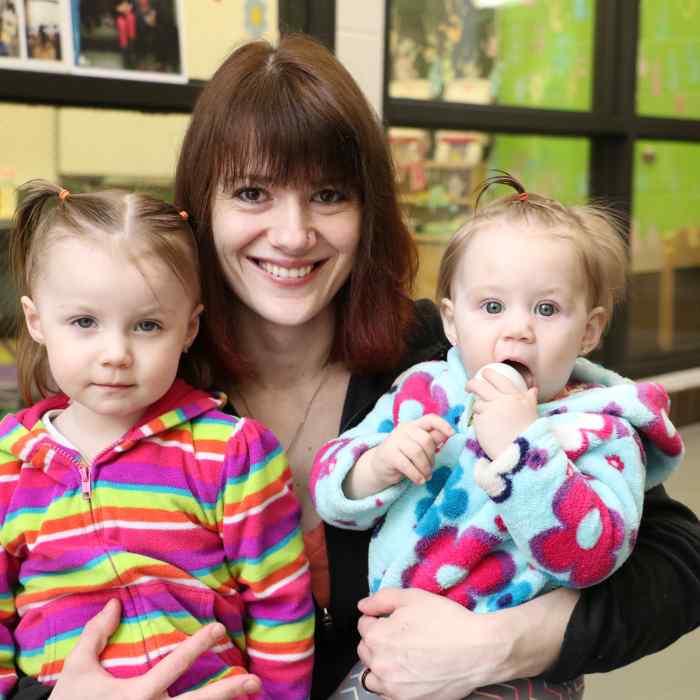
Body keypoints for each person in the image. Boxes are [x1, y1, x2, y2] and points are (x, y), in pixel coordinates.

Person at [13, 34, 700, 700]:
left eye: (329, 196)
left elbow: (679, 562)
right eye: (253, 193)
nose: (292, 234)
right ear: (202, 205)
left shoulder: (445, 356)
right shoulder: (130, 368)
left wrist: (503, 644)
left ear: (369, 210)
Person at [310, 173, 684, 696]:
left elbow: (592, 557)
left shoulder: (602, 430)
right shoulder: (420, 391)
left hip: (515, 674)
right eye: (491, 307)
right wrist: (375, 466)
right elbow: (331, 486)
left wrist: (523, 450)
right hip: (391, 649)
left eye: (547, 309)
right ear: (451, 322)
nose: (518, 330)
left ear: (591, 331)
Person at [0, 182, 313, 699]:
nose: (116, 353)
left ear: (188, 329)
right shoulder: (10, 466)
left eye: (147, 325)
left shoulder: (232, 453)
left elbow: (280, 603)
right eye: (84, 322)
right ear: (36, 322)